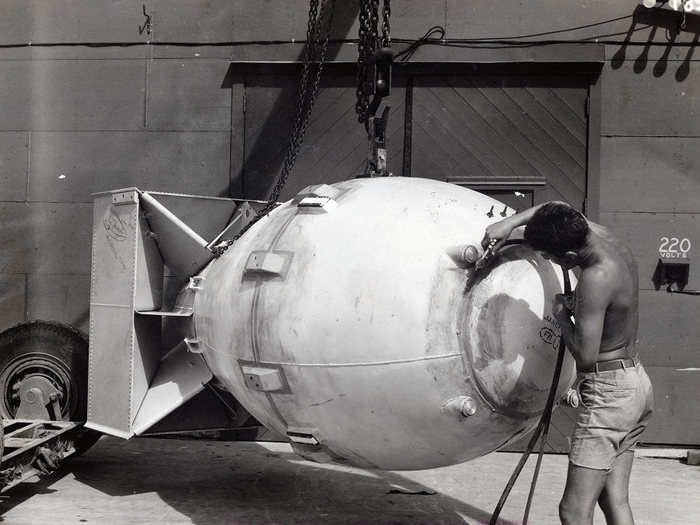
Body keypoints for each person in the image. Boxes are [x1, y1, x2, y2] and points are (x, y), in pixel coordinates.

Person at [482, 201, 653, 525]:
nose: (548, 261)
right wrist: (509, 225)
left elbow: (586, 358)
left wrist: (562, 317)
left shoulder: (595, 277)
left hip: (610, 394)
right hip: (636, 385)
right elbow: (555, 205)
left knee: (573, 510)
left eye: (551, 257)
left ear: (571, 259)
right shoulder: (598, 234)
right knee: (614, 499)